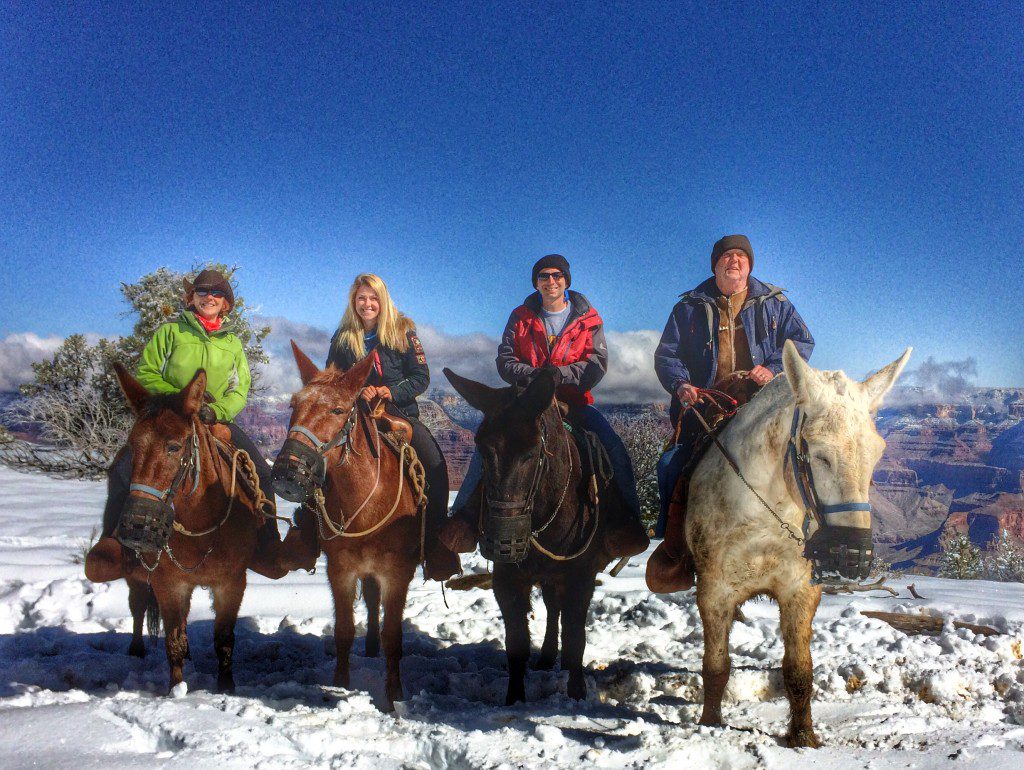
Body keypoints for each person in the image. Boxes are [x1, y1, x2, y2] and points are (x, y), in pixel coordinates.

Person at [87, 269, 317, 581]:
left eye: (217, 293)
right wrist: (181, 400)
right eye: (203, 291)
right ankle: (115, 545)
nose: (209, 297)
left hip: (214, 420)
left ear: (226, 304)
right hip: (172, 418)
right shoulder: (171, 332)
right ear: (192, 297)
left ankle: (266, 546)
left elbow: (241, 388)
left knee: (261, 472)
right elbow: (147, 371)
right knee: (124, 468)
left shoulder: (232, 343)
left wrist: (216, 410)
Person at [443, 254, 649, 558]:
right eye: (543, 276)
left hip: (572, 401)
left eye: (556, 276)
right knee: (489, 446)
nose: (550, 281)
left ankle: (627, 522)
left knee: (613, 446)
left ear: (566, 281)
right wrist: (536, 378)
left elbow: (596, 364)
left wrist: (560, 376)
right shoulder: (520, 316)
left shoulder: (588, 319)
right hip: (526, 403)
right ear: (536, 283)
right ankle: (465, 519)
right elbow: (505, 359)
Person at [648, 235, 814, 586]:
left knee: (810, 460)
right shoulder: (689, 307)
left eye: (741, 256)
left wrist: (772, 367)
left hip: (763, 404)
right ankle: (674, 547)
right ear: (715, 265)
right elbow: (667, 355)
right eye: (726, 257)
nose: (734, 261)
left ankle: (813, 545)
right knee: (670, 465)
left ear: (750, 265)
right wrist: (682, 386)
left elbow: (801, 342)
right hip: (709, 406)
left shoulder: (775, 303)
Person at [325, 273, 461, 581]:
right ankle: (312, 530)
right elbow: (332, 380)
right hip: (354, 416)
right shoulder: (342, 337)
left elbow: (420, 377)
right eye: (362, 298)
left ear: (383, 300)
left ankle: (436, 543)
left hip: (399, 415)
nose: (368, 304)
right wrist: (359, 391)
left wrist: (389, 391)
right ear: (353, 301)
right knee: (318, 459)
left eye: (373, 298)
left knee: (435, 465)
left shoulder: (403, 331)